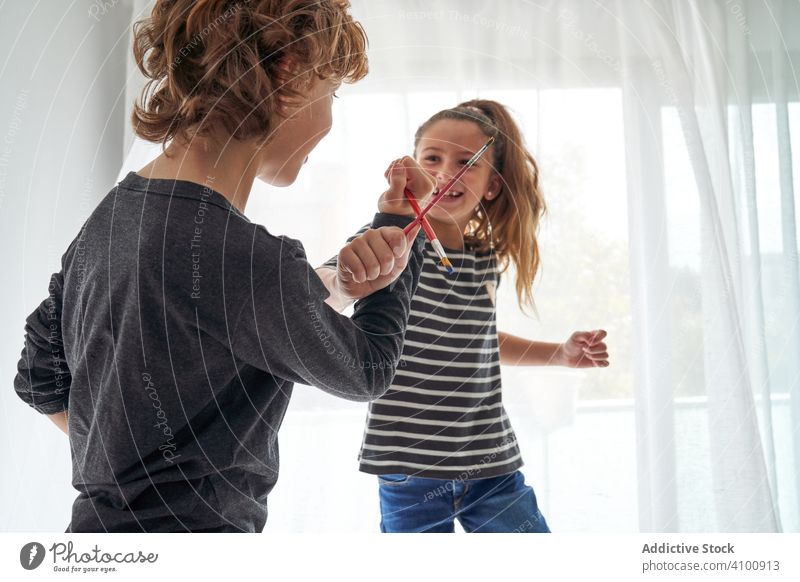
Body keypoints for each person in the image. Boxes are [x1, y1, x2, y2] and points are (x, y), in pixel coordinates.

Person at [13, 0, 435, 533]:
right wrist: (404, 251)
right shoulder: (240, 255)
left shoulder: (115, 217)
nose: (330, 117)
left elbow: (39, 377)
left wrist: (127, 468)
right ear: (292, 74)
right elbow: (369, 370)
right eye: (333, 93)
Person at [320, 99, 610, 533]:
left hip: (491, 459)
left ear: (491, 186)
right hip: (409, 464)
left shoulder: (482, 258)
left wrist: (560, 355)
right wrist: (337, 277)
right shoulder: (389, 237)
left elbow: (478, 340)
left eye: (464, 162)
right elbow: (327, 286)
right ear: (411, 170)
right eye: (432, 159)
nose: (444, 172)